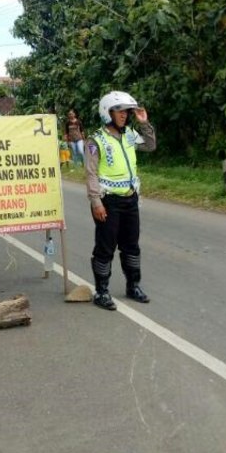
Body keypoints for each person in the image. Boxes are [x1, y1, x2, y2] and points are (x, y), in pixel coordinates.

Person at [85, 91, 156, 311]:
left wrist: (144, 123)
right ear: (108, 113)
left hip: (130, 198)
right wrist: (96, 202)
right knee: (106, 247)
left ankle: (133, 286)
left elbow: (151, 145)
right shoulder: (95, 140)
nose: (124, 115)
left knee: (131, 245)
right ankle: (102, 291)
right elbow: (91, 173)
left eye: (126, 111)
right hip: (108, 202)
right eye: (119, 111)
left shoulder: (130, 135)